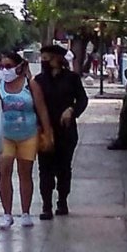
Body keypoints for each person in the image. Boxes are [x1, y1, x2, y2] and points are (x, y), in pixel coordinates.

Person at [0, 52, 52, 230]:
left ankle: (25, 213)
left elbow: (42, 109)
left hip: (28, 134)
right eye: (2, 67)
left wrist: (48, 133)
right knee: (4, 172)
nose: (6, 70)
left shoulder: (31, 84)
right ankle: (7, 213)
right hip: (6, 135)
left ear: (19, 67)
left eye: (9, 66)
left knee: (25, 173)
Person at [35, 43, 89, 218]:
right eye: (42, 58)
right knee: (45, 168)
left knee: (64, 168)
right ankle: (46, 205)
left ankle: (63, 201)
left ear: (57, 59)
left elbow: (82, 99)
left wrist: (72, 110)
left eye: (47, 58)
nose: (44, 62)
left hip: (66, 130)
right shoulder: (39, 81)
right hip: (45, 130)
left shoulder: (72, 78)